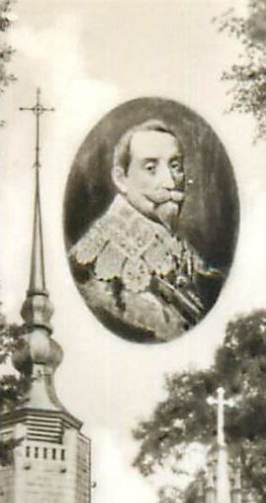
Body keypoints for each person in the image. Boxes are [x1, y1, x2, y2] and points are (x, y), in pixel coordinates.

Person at [69, 119, 216, 341]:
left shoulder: (184, 252)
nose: (169, 182)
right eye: (151, 168)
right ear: (121, 179)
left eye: (175, 167)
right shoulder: (93, 266)